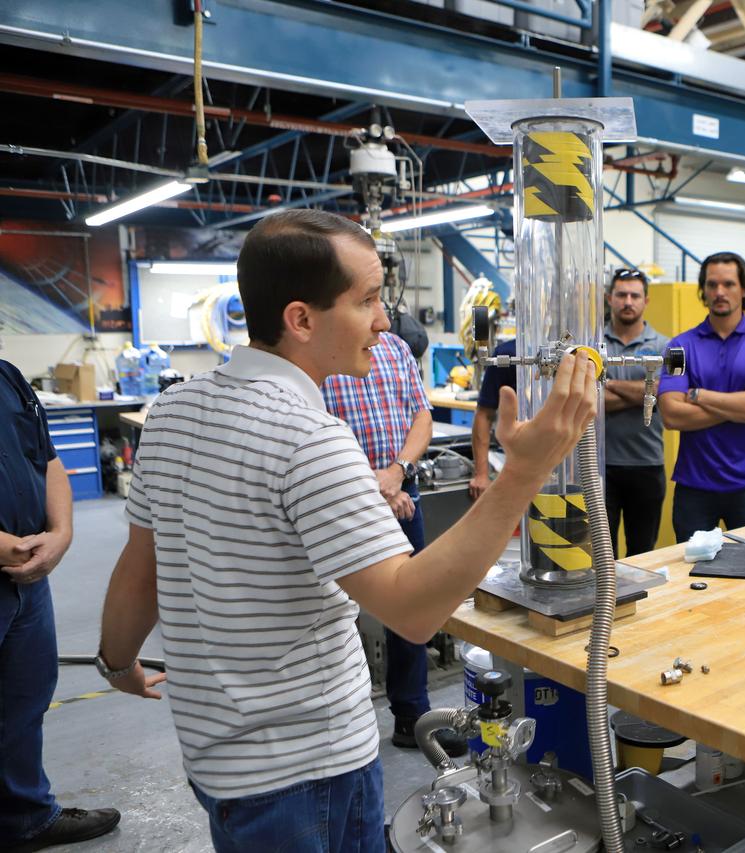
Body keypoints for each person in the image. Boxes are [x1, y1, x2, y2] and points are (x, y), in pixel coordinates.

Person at [95, 209, 598, 851]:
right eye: (367, 302)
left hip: (215, 761)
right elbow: (413, 610)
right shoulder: (308, 436)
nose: (385, 321)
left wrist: (117, 662)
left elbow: (140, 567)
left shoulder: (172, 409)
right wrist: (524, 471)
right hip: (307, 774)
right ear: (301, 319)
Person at [321, 332, 464, 755]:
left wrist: (398, 471)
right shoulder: (324, 349)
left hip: (404, 493)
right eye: (367, 298)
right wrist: (373, 484)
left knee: (411, 606)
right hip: (337, 496)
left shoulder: (397, 347)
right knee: (334, 606)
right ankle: (341, 725)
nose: (381, 315)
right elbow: (311, 428)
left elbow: (422, 415)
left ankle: (411, 716)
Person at [0, 361, 120, 852]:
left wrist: (62, 533)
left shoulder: (7, 375)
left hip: (28, 577)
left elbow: (47, 461)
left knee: (24, 698)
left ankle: (24, 816)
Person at [658, 251, 745, 543]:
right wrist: (743, 405)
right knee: (691, 575)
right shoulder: (678, 347)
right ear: (703, 289)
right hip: (694, 487)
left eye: (728, 284)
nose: (719, 292)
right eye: (712, 284)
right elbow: (670, 415)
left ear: (744, 289)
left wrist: (698, 394)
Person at [602, 269, 670, 556]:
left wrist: (608, 382)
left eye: (635, 295)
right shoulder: (593, 343)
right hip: (600, 466)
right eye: (621, 295)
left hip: (647, 464)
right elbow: (591, 401)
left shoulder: (664, 345)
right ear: (609, 299)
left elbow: (661, 395)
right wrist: (643, 392)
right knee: (602, 554)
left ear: (646, 301)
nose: (627, 301)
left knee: (643, 554)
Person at [469, 337, 517, 500]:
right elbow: (484, 414)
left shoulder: (578, 353)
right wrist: (481, 474)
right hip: (517, 462)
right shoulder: (508, 354)